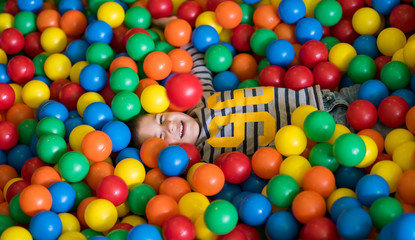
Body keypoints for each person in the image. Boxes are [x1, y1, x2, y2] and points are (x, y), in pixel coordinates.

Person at [128, 41, 390, 163]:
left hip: (328, 97)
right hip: (331, 138)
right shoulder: (207, 158)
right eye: (162, 138)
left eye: (162, 119)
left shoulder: (199, 101)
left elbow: (197, 67)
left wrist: (176, 32)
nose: (170, 128)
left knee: (393, 93)